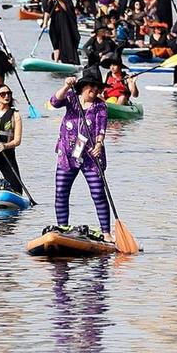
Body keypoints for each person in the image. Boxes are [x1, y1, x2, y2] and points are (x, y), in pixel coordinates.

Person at [49, 71, 113, 234]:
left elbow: (101, 128)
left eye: (97, 87)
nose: (95, 90)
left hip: (90, 156)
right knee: (61, 192)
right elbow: (54, 102)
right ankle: (62, 228)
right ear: (83, 87)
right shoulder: (71, 97)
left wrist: (99, 143)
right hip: (67, 154)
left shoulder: (100, 105)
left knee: (98, 193)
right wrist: (65, 85)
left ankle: (106, 232)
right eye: (91, 86)